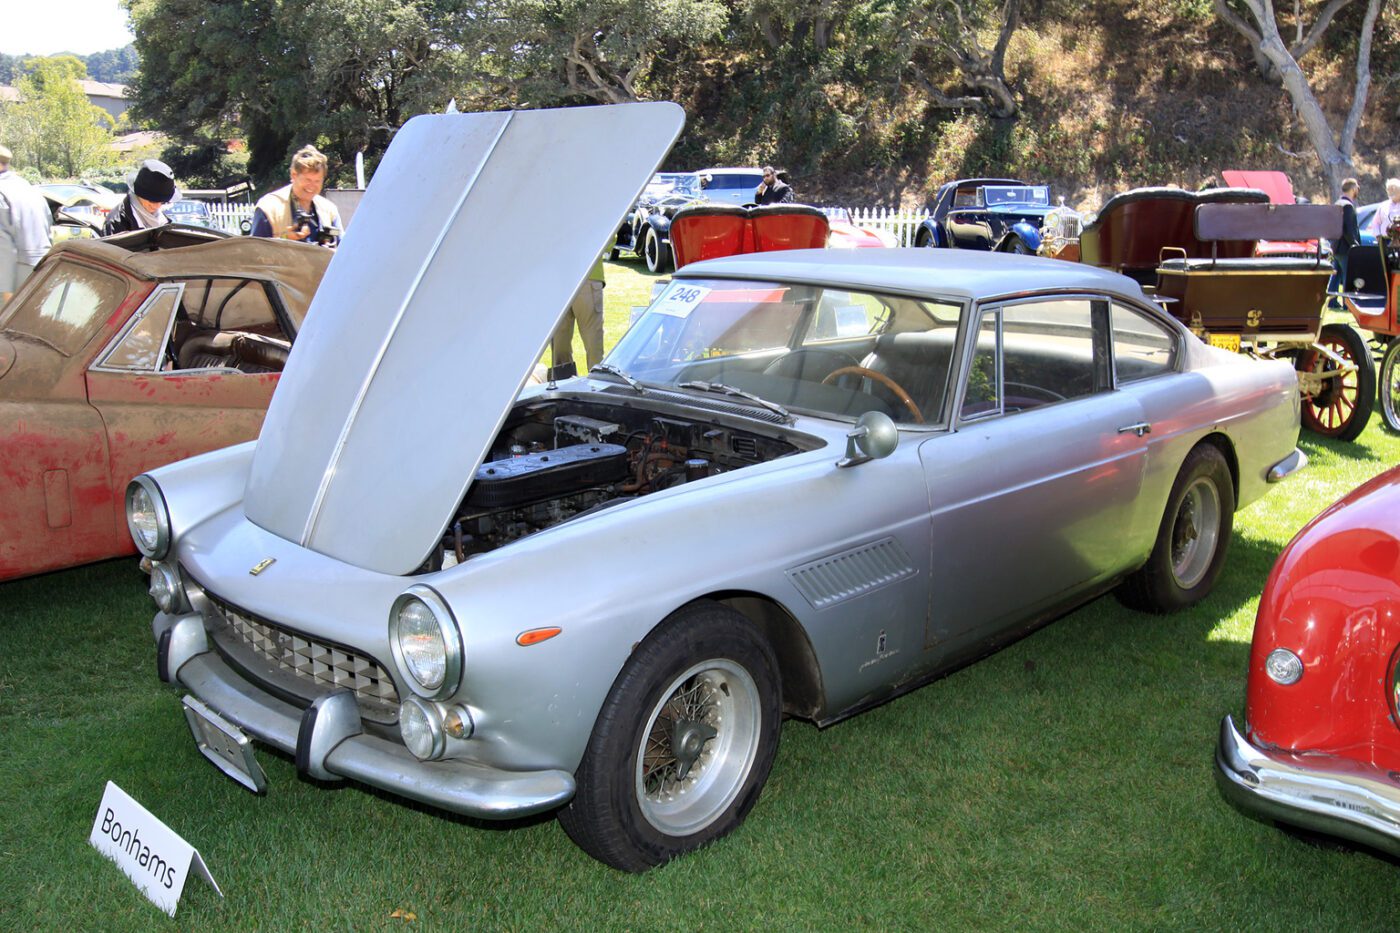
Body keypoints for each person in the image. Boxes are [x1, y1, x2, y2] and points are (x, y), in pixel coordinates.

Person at [250, 145, 342, 247]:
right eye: (307, 180)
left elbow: (344, 249)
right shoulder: (269, 207)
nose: (312, 186)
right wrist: (285, 239)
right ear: (293, 175)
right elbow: (255, 250)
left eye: (317, 181)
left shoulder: (329, 210)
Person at [0, 145, 53, 302]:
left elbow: (3, 246)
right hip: (41, 273)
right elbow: (48, 229)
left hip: (12, 279)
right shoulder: (28, 188)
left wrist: (6, 290)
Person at [551, 249, 606, 372]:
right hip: (559, 279)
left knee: (592, 344)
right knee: (559, 347)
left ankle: (595, 382)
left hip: (585, 276)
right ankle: (565, 383)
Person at [102, 159, 177, 235]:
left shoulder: (163, 220)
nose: (157, 206)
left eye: (163, 202)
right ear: (139, 194)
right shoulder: (116, 222)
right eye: (153, 200)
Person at [1327, 177, 1361, 310]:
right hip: (1346, 248)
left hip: (1336, 246)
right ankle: (1348, 303)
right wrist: (1354, 244)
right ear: (1352, 189)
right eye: (1356, 187)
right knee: (1348, 275)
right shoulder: (1347, 206)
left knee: (1335, 276)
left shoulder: (1338, 203)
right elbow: (1348, 229)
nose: (1357, 190)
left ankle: (1331, 301)